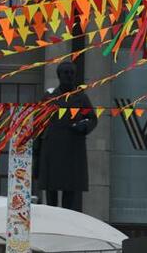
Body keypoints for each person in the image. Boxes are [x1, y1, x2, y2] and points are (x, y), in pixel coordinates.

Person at [34, 61, 97, 211]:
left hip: (72, 151)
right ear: (59, 75)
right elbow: (38, 124)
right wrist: (36, 153)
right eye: (66, 73)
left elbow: (93, 119)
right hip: (52, 151)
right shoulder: (49, 98)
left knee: (70, 197)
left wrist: (84, 126)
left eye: (71, 73)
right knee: (51, 197)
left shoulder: (81, 98)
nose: (69, 76)